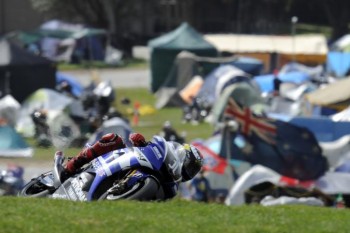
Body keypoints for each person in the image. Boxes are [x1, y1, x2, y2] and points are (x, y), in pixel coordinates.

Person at [62, 133, 203, 199]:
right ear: (181, 155)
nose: (188, 170)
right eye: (189, 165)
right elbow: (141, 144)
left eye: (192, 170)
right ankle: (70, 167)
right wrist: (140, 142)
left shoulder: (173, 189)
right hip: (121, 158)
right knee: (113, 139)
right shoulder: (163, 155)